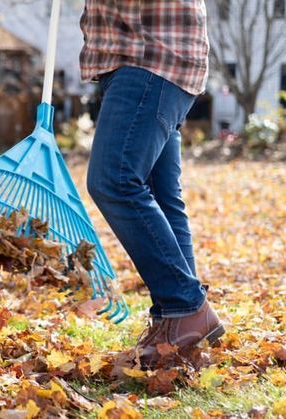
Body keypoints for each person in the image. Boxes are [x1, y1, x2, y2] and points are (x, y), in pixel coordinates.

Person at [79, 0, 225, 367]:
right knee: (161, 195)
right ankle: (176, 326)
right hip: (147, 54)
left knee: (114, 180)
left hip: (151, 53)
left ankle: (186, 306)